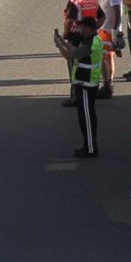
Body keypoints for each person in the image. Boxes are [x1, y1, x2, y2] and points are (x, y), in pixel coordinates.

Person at [53, 16, 103, 157]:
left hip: (86, 85)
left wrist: (59, 46)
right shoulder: (92, 40)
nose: (80, 29)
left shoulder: (89, 44)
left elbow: (71, 55)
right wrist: (63, 41)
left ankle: (91, 148)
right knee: (86, 116)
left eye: (82, 27)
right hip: (87, 84)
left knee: (86, 117)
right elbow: (75, 49)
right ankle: (88, 145)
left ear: (89, 28)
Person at [62, 0, 105, 105]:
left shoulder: (74, 2)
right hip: (90, 36)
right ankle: (89, 90)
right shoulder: (92, 0)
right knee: (88, 64)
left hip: (76, 36)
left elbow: (69, 21)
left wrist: (65, 34)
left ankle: (75, 96)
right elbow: (102, 17)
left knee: (74, 65)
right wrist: (94, 29)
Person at [95, 0, 124, 98]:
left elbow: (118, 13)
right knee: (108, 57)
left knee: (105, 58)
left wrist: (114, 31)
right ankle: (109, 82)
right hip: (105, 31)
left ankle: (108, 84)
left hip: (108, 31)